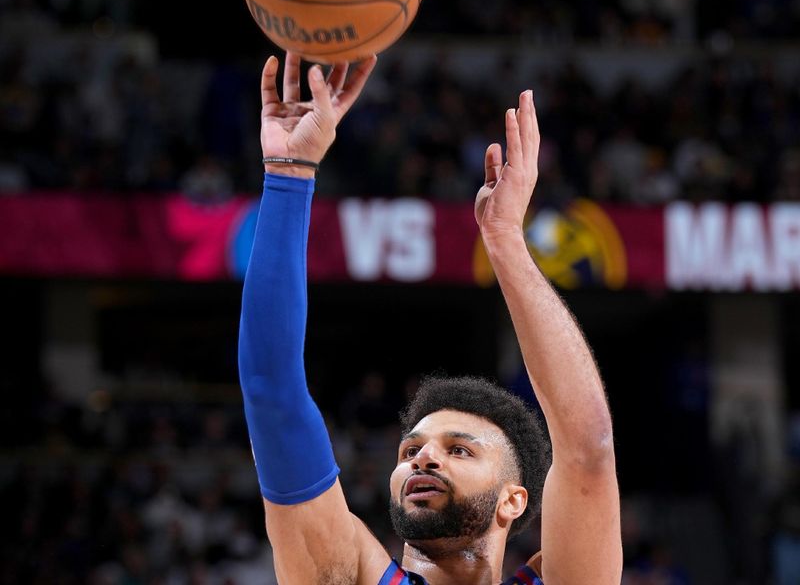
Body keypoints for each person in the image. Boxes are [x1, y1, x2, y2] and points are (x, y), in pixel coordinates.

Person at [238, 52, 622, 584]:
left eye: (458, 450)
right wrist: (289, 174)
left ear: (514, 500)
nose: (422, 460)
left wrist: (506, 242)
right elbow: (271, 392)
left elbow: (587, 448)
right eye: (411, 450)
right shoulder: (344, 575)